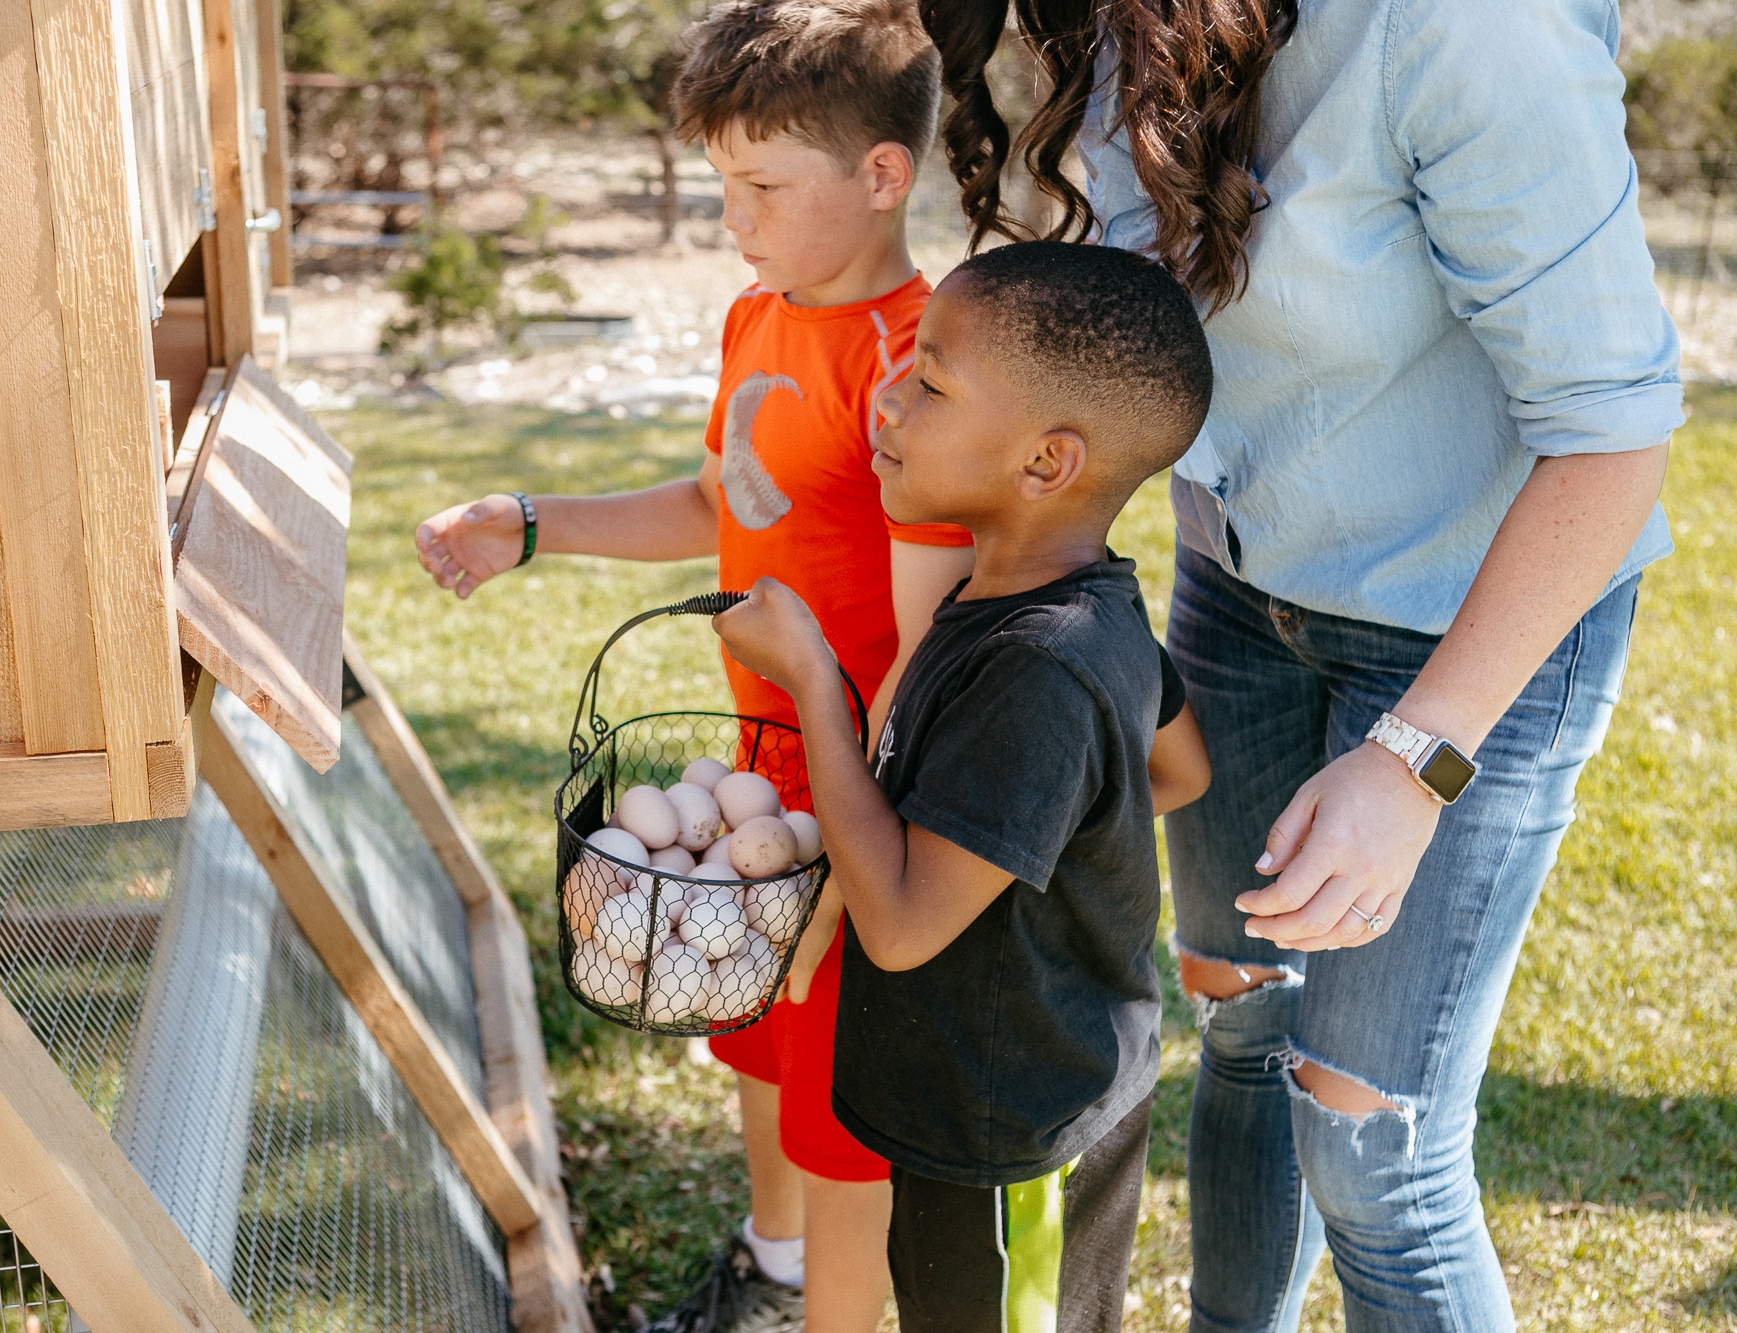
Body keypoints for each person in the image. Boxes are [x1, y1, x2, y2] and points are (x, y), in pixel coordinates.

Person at [917, 3, 1681, 1329]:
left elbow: (1611, 434)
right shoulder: (1129, 22)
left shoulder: (1463, 30)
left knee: (1376, 1156)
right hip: (1241, 586)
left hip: (1469, 627)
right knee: (1241, 1028)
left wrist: (1413, 760)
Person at [419, 5, 968, 1329]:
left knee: (842, 1117)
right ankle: (771, 1270)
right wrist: (532, 525)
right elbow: (724, 501)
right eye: (724, 183)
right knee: (758, 1042)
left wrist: (854, 843)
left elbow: (937, 633)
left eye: (764, 186)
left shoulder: (919, 363)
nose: (735, 218)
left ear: (881, 175)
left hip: (868, 798)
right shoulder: (754, 318)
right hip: (760, 773)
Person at [711, 240, 1215, 1333]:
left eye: (930, 385)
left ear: (1046, 462)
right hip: (986, 1099)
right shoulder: (1071, 603)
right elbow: (1177, 767)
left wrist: (812, 678)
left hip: (1009, 1132)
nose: (888, 401)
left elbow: (897, 927)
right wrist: (1041, 840)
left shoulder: (1036, 670)